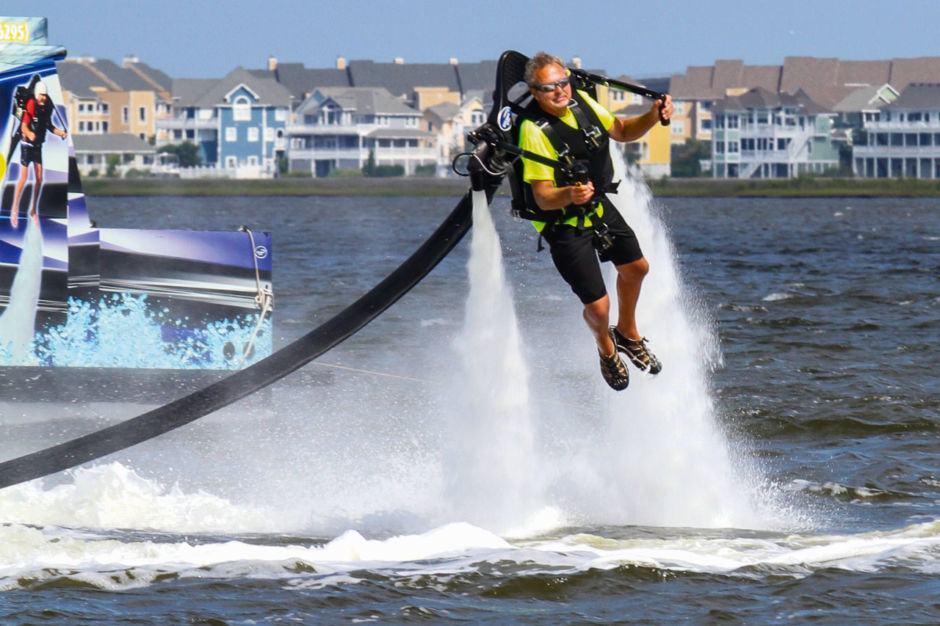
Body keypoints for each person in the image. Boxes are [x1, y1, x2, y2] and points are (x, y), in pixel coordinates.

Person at [516, 52, 672, 391]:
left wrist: (652, 115)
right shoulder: (532, 130)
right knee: (599, 309)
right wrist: (569, 195)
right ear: (534, 92)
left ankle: (628, 333)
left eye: (563, 83)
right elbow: (543, 197)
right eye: (549, 88)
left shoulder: (582, 102)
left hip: (596, 206)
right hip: (562, 224)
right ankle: (606, 348)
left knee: (637, 268)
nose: (559, 91)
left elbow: (622, 131)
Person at [8, 79, 67, 228]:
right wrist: (29, 133)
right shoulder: (31, 105)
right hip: (27, 146)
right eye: (41, 95)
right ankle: (14, 208)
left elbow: (49, 126)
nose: (43, 98)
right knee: (23, 178)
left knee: (39, 179)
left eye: (45, 95)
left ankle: (33, 210)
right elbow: (23, 127)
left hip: (37, 146)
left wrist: (60, 132)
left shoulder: (45, 108)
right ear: (36, 94)